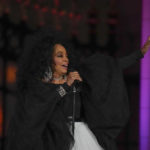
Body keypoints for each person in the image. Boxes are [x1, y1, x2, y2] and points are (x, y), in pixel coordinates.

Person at [5, 29, 150, 150]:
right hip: (54, 140)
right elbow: (41, 108)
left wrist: (140, 53)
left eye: (67, 56)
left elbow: (111, 67)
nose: (66, 59)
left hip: (81, 137)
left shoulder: (77, 77)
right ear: (47, 59)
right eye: (60, 56)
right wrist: (65, 85)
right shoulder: (40, 87)